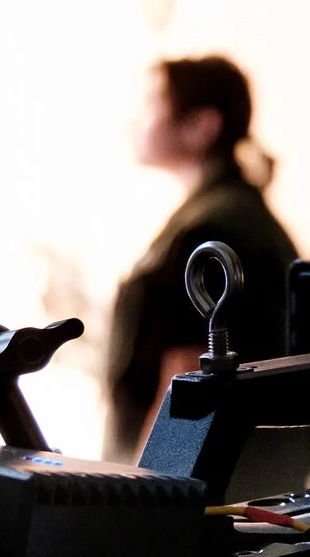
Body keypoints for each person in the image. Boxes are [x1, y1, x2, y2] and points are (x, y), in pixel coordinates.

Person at [109, 56, 299, 452]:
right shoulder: (237, 212)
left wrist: (145, 497)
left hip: (188, 487)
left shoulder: (211, 230)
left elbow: (184, 386)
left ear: (200, 126)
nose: (134, 120)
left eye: (152, 103)